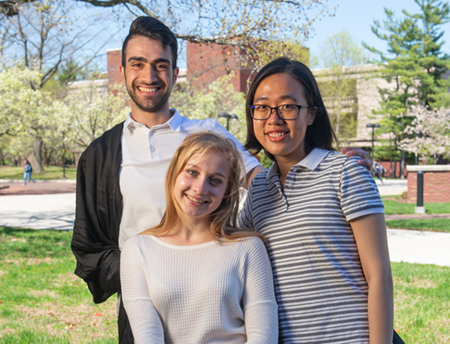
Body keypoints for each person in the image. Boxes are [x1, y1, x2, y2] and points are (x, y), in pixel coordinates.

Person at [71, 16, 372, 343]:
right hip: (147, 302)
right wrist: (144, 271)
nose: (149, 76)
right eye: (138, 64)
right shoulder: (100, 154)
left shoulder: (208, 133)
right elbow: (89, 248)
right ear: (122, 71)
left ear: (175, 74)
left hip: (223, 290)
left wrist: (331, 163)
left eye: (161, 65)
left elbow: (269, 183)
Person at [239, 57, 393, 344]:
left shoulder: (346, 173)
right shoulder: (258, 190)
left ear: (311, 114)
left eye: (288, 106)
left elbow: (380, 277)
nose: (274, 118)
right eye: (262, 107)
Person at [120, 132, 278, 343]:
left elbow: (263, 336)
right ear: (174, 174)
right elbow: (147, 336)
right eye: (192, 172)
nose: (200, 188)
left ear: (227, 191)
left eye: (215, 180)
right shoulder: (137, 249)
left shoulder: (249, 247)